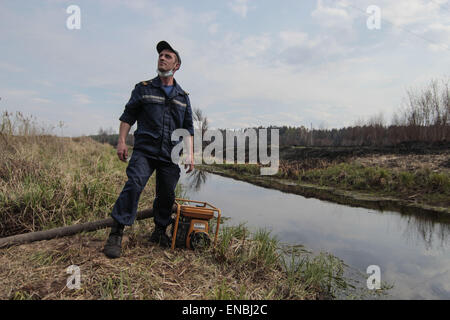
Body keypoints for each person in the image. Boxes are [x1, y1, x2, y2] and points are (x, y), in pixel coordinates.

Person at [103, 40, 195, 259]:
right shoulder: (143, 88)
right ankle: (116, 232)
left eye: (168, 56)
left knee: (167, 194)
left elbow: (188, 129)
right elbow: (128, 117)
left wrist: (190, 153)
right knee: (134, 184)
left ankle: (159, 231)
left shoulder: (183, 97)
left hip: (170, 154)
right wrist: (122, 141)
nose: (162, 58)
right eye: (160, 55)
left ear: (177, 65)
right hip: (144, 150)